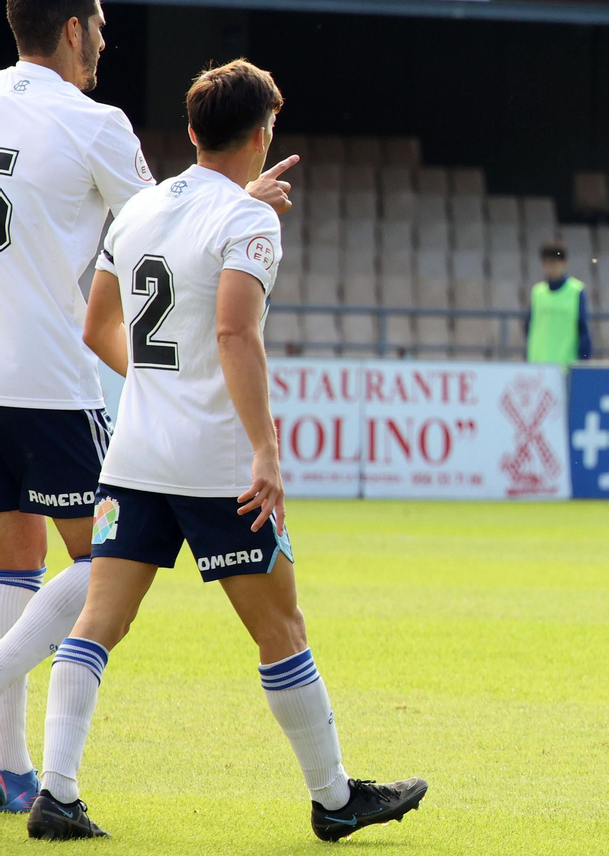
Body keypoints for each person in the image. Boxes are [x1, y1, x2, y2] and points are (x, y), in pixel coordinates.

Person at [26, 60, 425, 842]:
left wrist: (161, 384)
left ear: (192, 132)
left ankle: (57, 794)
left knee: (97, 625)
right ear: (264, 132)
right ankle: (335, 798)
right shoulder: (251, 220)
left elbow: (96, 326)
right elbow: (235, 332)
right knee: (282, 629)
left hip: (135, 456)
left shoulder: (139, 210)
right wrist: (266, 452)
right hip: (215, 467)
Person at [0, 0, 295, 814]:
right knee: (102, 568)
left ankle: (15, 768)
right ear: (70, 32)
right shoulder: (94, 123)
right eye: (97, 24)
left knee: (14, 559)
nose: (104, 39)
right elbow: (169, 224)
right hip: (50, 379)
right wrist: (246, 199)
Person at [526, 241, 592, 365]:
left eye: (554, 263)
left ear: (564, 263)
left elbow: (583, 329)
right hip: (538, 366)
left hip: (565, 366)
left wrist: (583, 362)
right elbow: (529, 328)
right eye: (547, 263)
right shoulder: (537, 292)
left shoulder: (576, 291)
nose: (550, 267)